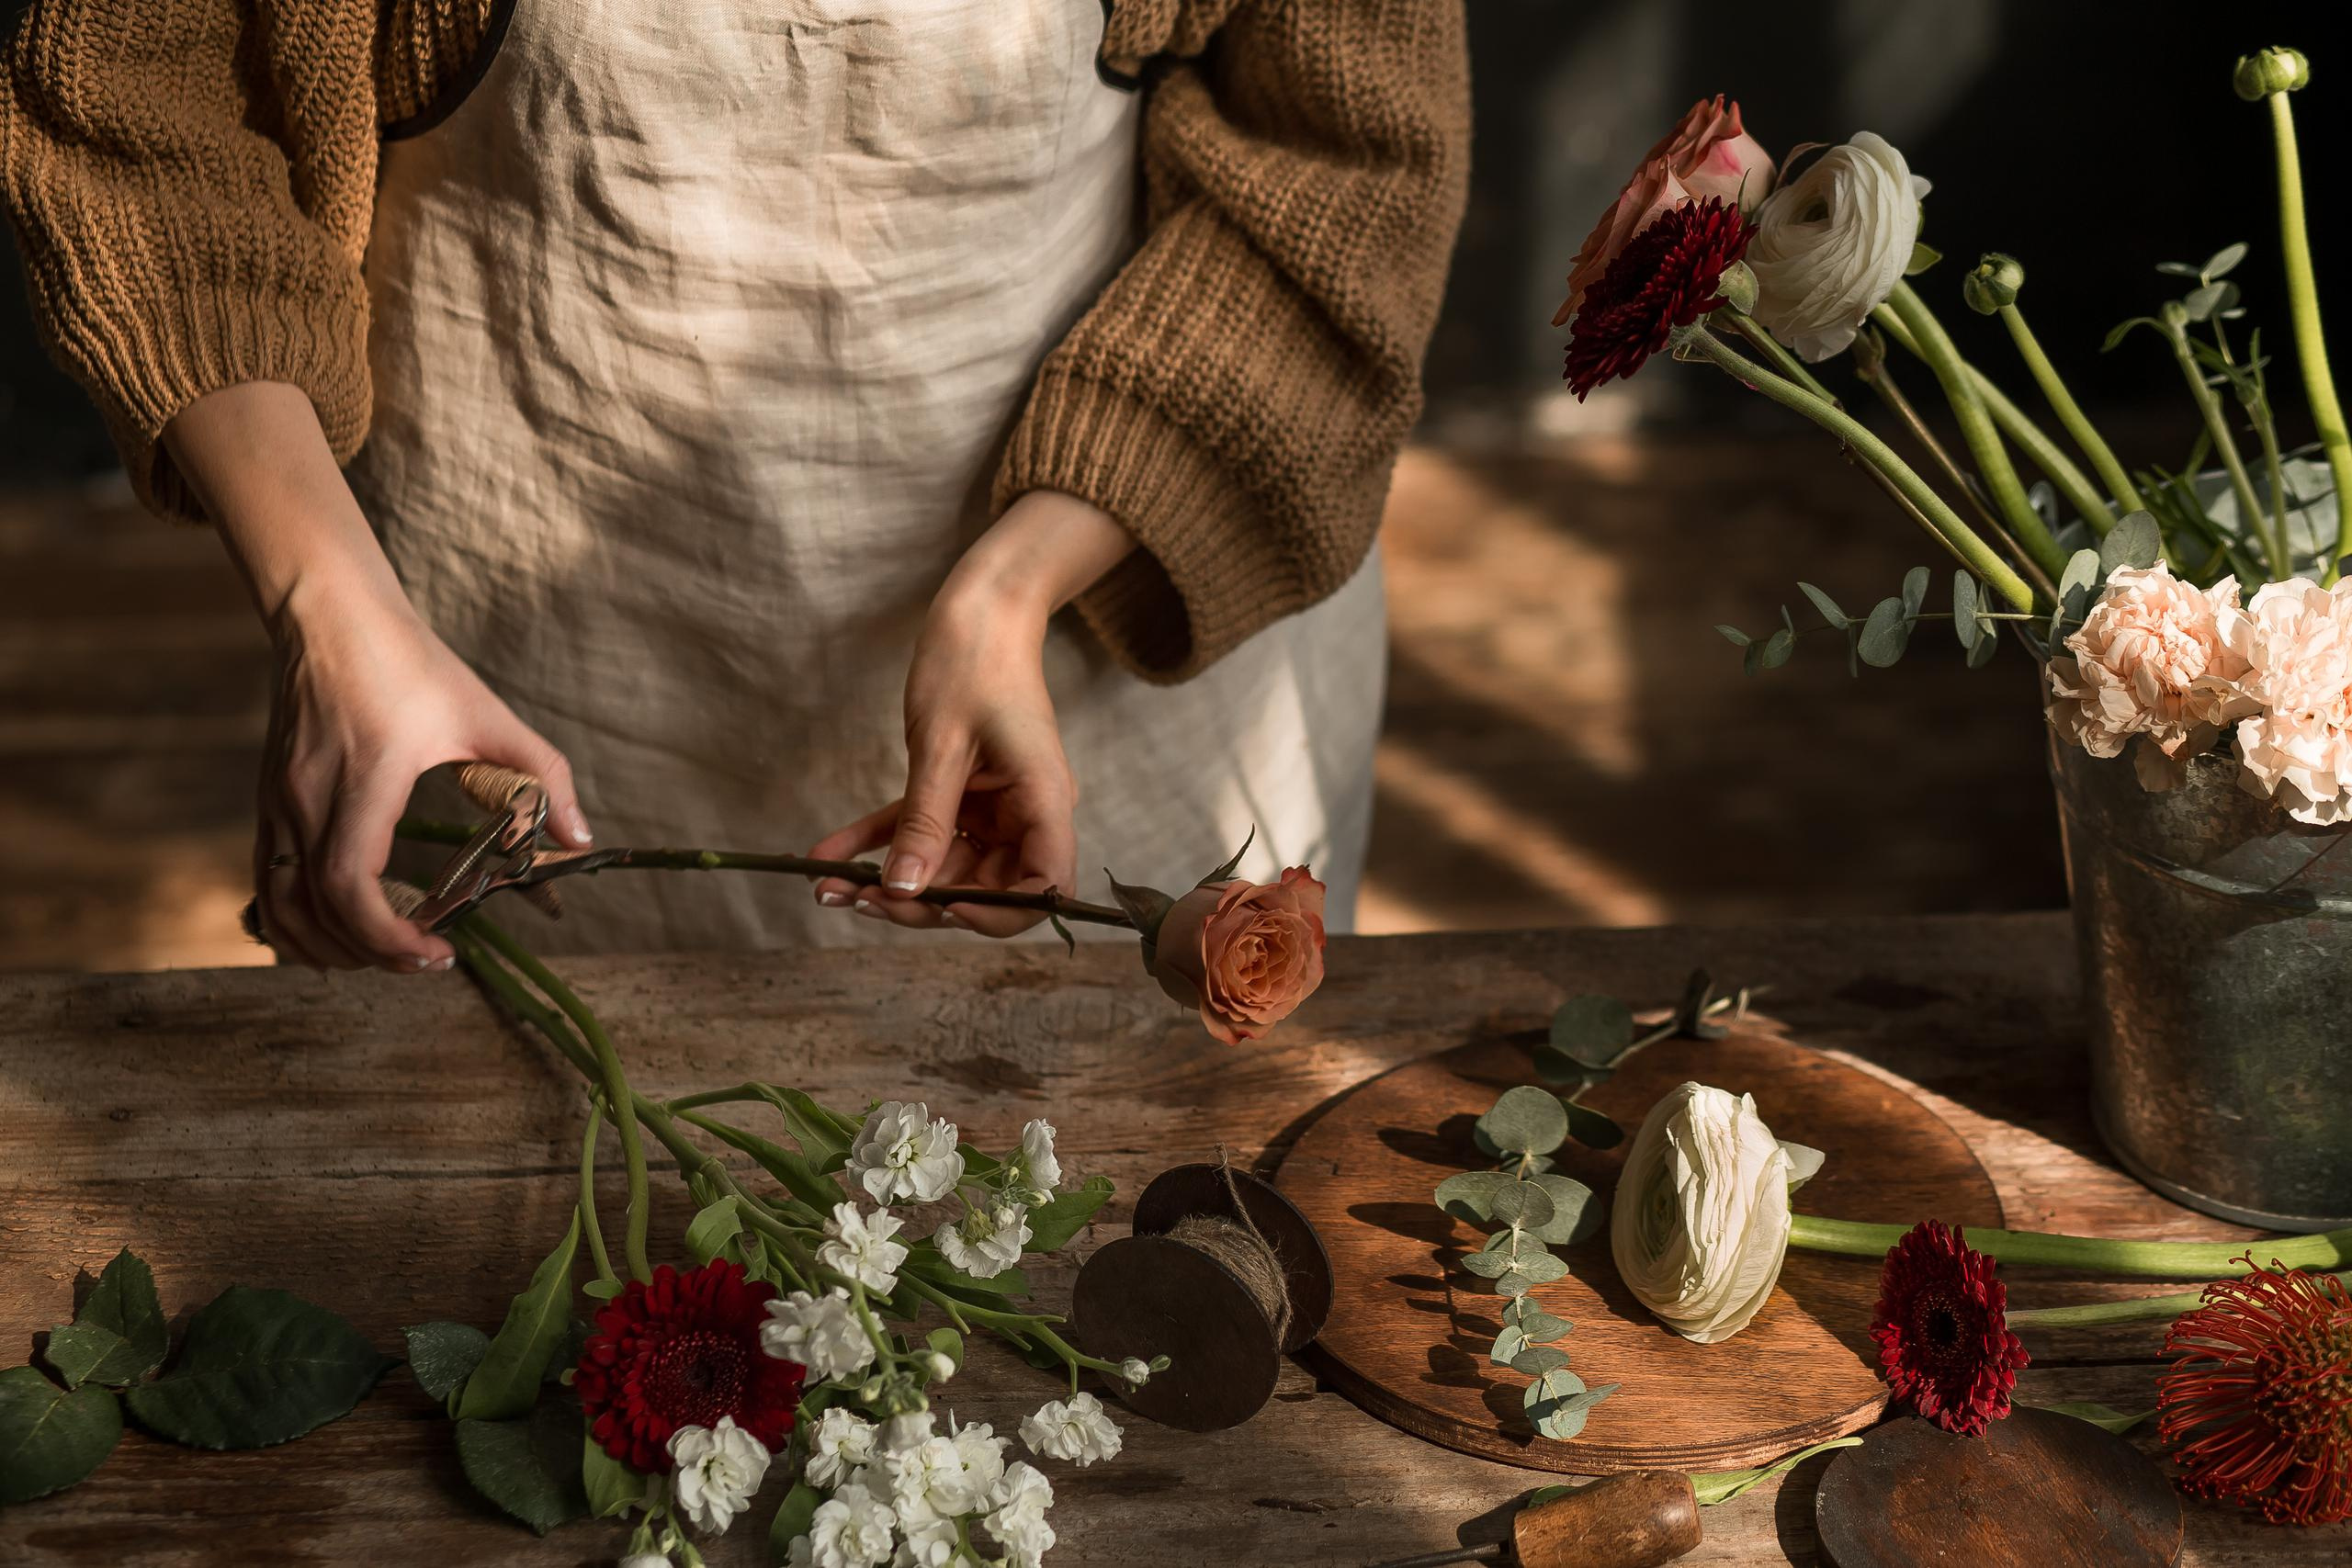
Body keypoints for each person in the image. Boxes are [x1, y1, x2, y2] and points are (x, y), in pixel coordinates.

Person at [0, 0, 1470, 969]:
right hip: (496, 686)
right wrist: (327, 608)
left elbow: (1345, 184)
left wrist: (1015, 586)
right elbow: (141, 117)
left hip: (1099, 676)